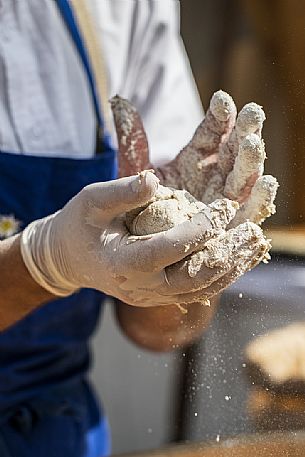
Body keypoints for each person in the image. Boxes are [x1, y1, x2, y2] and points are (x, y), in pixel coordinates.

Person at [0, 1, 277, 456]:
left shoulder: (124, 7)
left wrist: (183, 270)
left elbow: (154, 330)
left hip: (53, 430)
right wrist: (43, 261)